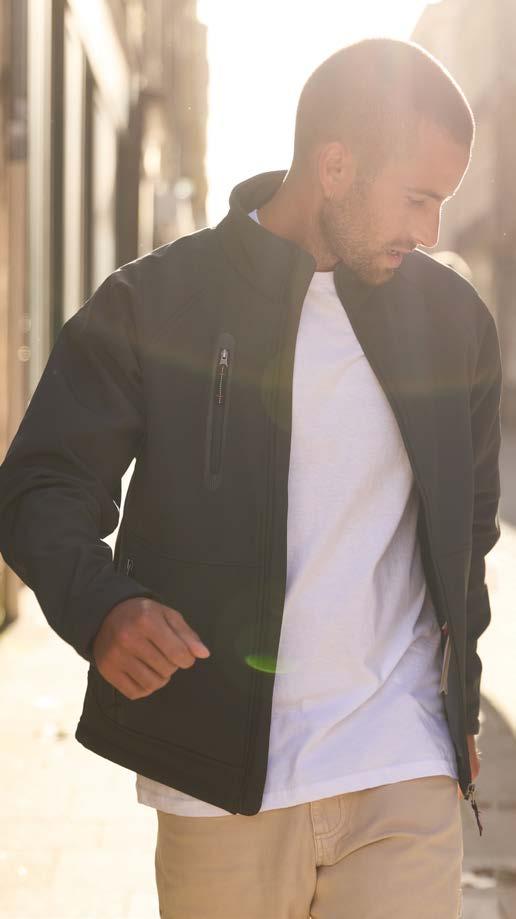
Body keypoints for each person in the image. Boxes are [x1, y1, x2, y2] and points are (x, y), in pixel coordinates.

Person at [0, 38, 502, 919]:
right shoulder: (160, 301)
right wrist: (100, 606)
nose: (429, 232)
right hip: (219, 782)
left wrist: (459, 700)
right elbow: (42, 482)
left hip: (401, 764)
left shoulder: (452, 319)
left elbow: (471, 529)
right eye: (417, 198)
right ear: (335, 168)